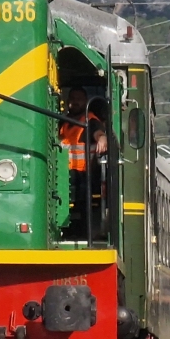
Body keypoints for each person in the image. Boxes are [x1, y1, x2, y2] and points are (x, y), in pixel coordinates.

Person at [59, 87, 107, 238]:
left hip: (84, 177)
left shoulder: (91, 121)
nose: (75, 102)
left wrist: (102, 138)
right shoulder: (62, 122)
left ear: (86, 102)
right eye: (72, 98)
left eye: (79, 99)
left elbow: (99, 132)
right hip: (63, 175)